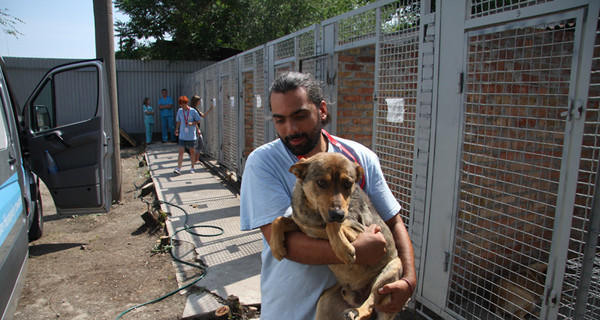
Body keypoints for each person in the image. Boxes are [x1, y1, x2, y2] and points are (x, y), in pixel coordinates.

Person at [239, 71, 416, 320]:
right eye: (280, 120)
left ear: (321, 110)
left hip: (356, 307)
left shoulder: (359, 158)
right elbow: (283, 243)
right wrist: (355, 251)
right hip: (290, 311)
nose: (291, 129)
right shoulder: (263, 162)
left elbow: (393, 221)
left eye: (300, 116)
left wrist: (408, 281)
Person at [173, 96, 202, 175]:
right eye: (181, 106)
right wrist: (176, 129)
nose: (182, 107)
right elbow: (178, 121)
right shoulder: (180, 111)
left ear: (186, 103)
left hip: (191, 135)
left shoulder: (193, 111)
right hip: (182, 134)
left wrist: (192, 123)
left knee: (192, 151)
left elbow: (198, 120)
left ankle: (192, 167)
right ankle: (179, 168)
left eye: (183, 105)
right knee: (181, 151)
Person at [190, 95, 214, 163]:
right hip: (196, 129)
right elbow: (194, 121)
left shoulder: (195, 109)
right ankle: (196, 160)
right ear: (196, 102)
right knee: (199, 144)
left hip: (196, 129)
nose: (200, 102)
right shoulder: (193, 110)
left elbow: (203, 115)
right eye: (199, 101)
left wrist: (210, 108)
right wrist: (198, 129)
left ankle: (196, 159)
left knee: (198, 143)